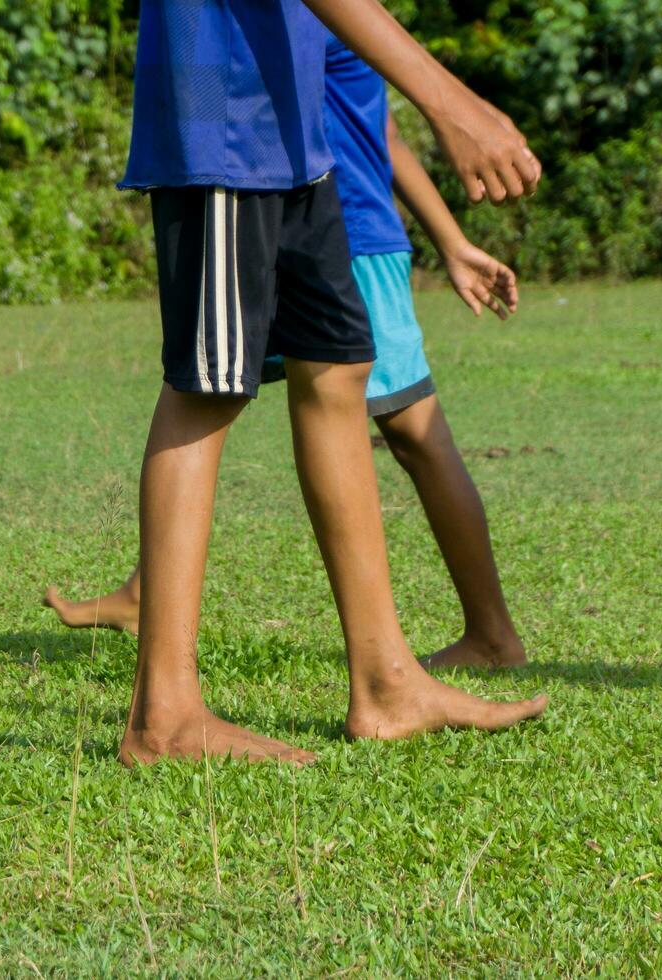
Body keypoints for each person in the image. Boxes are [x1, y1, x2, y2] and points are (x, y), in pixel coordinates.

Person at [92, 0, 546, 766]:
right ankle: (162, 719)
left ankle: (388, 683)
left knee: (337, 370)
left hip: (295, 137)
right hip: (222, 122)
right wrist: (448, 99)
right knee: (209, 389)